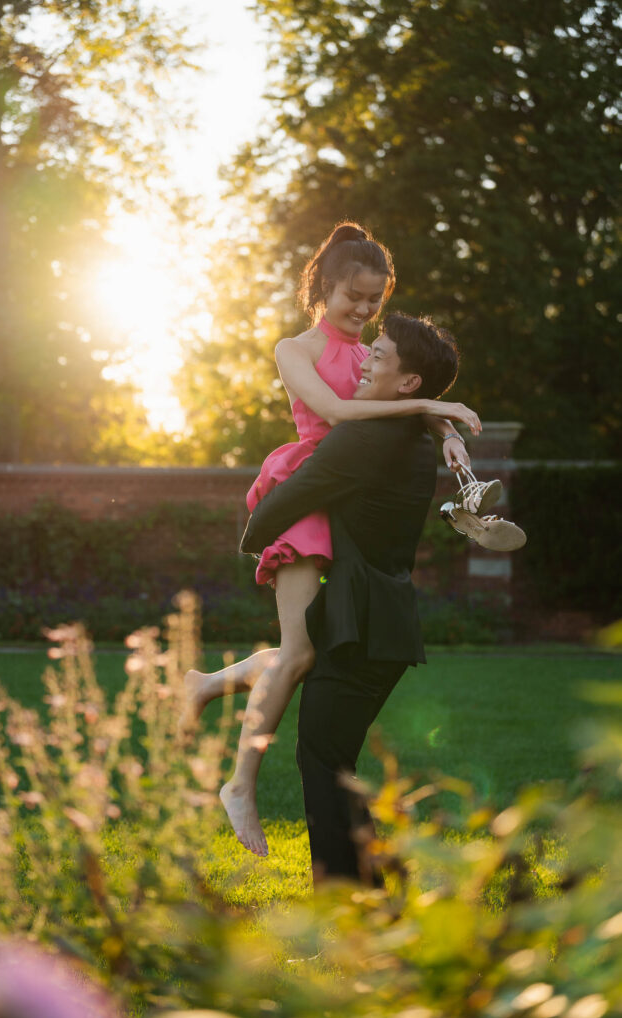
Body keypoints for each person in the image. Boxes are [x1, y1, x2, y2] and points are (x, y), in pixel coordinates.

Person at [182, 222, 484, 858]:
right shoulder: (296, 349)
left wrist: (442, 427)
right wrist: (436, 413)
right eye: (354, 296)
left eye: (375, 300)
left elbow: (397, 390)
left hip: (343, 498)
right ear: (324, 286)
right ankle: (239, 785)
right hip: (305, 490)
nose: (365, 312)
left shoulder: (372, 350)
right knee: (297, 654)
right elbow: (345, 415)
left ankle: (206, 686)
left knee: (306, 653)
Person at [239, 312, 460, 885]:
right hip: (379, 627)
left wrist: (255, 535)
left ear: (409, 384)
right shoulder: (409, 434)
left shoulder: (369, 437)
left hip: (359, 629)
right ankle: (369, 902)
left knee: (325, 765)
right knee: (333, 765)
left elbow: (281, 507)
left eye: (380, 356)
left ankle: (357, 908)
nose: (366, 362)